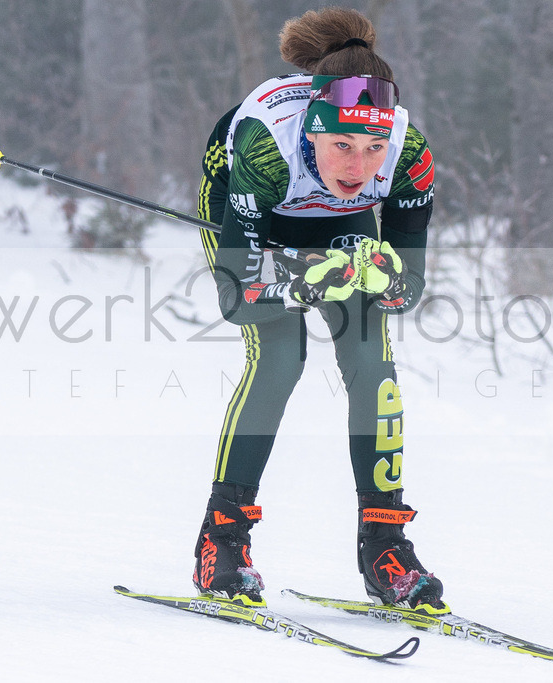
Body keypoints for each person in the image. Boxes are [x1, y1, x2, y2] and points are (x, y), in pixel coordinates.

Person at [191, 7, 442, 611]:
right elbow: (240, 296)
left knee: (372, 366)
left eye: (372, 147)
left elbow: (409, 289)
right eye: (341, 146)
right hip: (253, 204)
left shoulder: (409, 154)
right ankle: (222, 539)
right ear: (311, 130)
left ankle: (386, 546)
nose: (358, 167)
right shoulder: (266, 142)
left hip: (336, 221)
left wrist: (382, 276)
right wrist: (304, 278)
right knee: (281, 357)